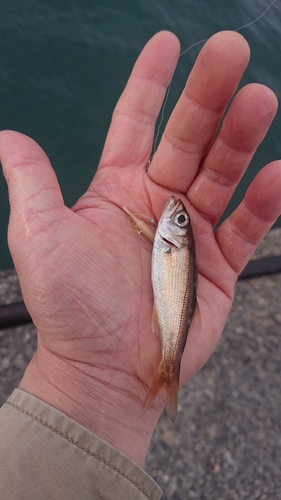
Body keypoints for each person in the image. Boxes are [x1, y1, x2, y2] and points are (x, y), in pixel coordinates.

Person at [0, 30, 280, 499]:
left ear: (176, 231)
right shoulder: (170, 240)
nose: (174, 213)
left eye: (178, 217)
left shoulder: (171, 239)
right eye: (178, 216)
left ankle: (162, 375)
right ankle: (160, 378)